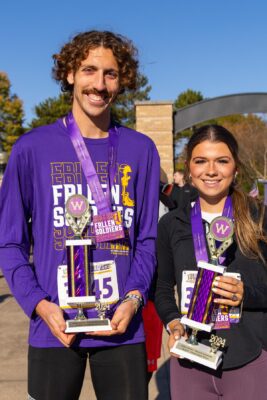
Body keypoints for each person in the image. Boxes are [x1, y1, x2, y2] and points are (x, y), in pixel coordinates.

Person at [0, 30, 160, 400]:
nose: (99, 84)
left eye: (110, 73)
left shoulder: (141, 150)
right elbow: (9, 242)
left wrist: (134, 298)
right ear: (70, 73)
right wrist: (39, 305)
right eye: (89, 70)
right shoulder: (31, 149)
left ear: (123, 81)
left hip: (123, 326)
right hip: (55, 327)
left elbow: (147, 239)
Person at [155, 124, 267, 399]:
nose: (212, 170)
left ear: (236, 168)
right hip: (191, 359)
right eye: (201, 161)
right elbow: (162, 288)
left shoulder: (258, 217)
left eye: (222, 161)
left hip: (249, 357)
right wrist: (173, 323)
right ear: (189, 168)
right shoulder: (172, 223)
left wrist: (245, 295)